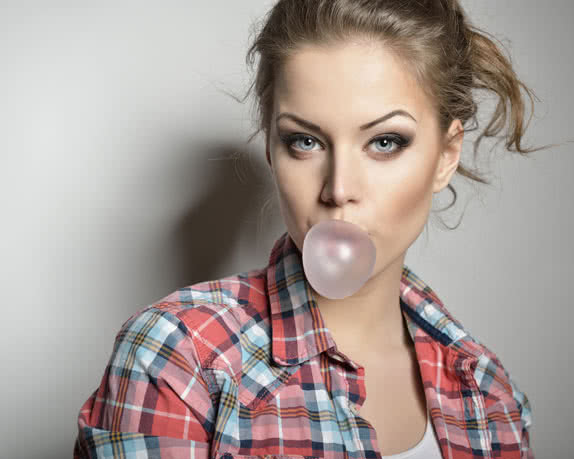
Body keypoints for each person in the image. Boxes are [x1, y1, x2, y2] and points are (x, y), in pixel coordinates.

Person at [74, 1, 548, 457]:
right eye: (305, 141)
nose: (338, 189)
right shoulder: (177, 356)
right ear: (270, 153)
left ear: (446, 155)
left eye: (385, 142)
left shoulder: (491, 394)